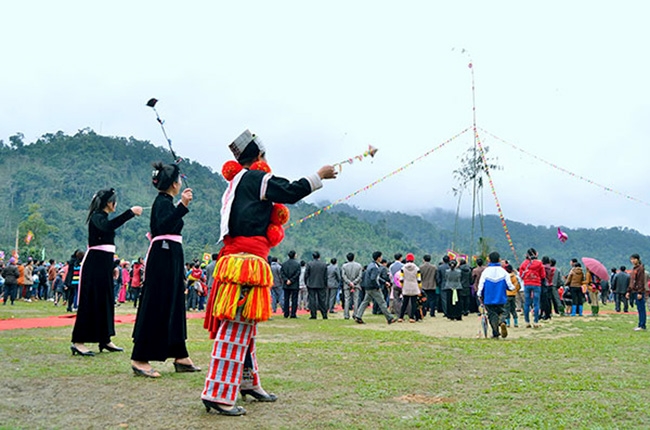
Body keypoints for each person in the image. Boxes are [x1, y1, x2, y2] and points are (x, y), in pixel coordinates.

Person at [201, 129, 337, 416]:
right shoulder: (254, 178)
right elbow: (288, 191)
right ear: (260, 156)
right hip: (246, 263)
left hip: (239, 259)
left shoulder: (237, 182)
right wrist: (319, 176)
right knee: (237, 326)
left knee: (245, 326)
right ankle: (217, 393)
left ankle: (248, 383)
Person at [131, 162, 199, 377]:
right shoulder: (162, 202)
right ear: (174, 184)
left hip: (172, 255)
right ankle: (140, 357)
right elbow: (162, 227)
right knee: (157, 303)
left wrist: (180, 207)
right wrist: (183, 206)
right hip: (163, 255)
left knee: (175, 303)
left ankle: (180, 354)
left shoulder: (167, 202)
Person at [70, 188, 142, 357]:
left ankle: (105, 338)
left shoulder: (103, 218)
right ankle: (78, 341)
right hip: (94, 265)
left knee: (106, 300)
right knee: (90, 300)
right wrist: (130, 213)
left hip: (104, 265)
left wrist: (113, 265)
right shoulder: (97, 217)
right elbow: (108, 227)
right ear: (110, 203)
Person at [477, 252, 515, 338]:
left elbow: (481, 285)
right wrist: (513, 288)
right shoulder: (504, 272)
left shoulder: (485, 272)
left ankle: (495, 333)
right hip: (501, 297)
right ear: (499, 260)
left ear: (489, 260)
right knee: (503, 311)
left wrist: (479, 294)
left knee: (492, 315)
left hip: (489, 298)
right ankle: (502, 321)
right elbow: (510, 286)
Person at [353, 251, 398, 325]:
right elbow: (373, 278)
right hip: (373, 288)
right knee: (382, 302)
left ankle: (358, 316)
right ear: (378, 258)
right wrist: (377, 286)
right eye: (381, 257)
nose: (381, 258)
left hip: (368, 287)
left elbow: (376, 277)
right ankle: (390, 318)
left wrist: (384, 282)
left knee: (365, 302)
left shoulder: (371, 265)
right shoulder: (375, 267)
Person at [518, 248, 545, 328]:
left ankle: (527, 322)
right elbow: (543, 275)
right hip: (536, 284)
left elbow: (521, 275)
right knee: (536, 303)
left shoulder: (524, 264)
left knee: (527, 303)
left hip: (527, 284)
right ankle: (536, 321)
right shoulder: (539, 263)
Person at [398, 253, 421, 323]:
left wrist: (402, 287)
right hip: (414, 286)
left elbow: (401, 279)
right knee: (413, 303)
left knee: (404, 302)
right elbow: (419, 280)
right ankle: (412, 317)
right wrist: (419, 288)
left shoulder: (403, 268)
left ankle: (401, 317)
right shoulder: (417, 268)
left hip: (406, 286)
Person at [305, 251, 328, 320]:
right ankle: (324, 314)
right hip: (321, 284)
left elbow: (306, 275)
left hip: (311, 284)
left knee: (312, 300)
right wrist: (325, 284)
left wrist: (306, 283)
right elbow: (325, 276)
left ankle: (313, 315)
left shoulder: (309, 264)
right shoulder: (324, 264)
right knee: (322, 300)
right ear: (319, 256)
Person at [627, 253, 646, 331]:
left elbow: (640, 281)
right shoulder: (634, 269)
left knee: (641, 308)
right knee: (639, 308)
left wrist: (640, 292)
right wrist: (628, 291)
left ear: (638, 259)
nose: (632, 261)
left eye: (634, 259)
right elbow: (632, 281)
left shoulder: (640, 269)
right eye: (631, 259)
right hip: (634, 290)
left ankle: (642, 325)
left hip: (639, 291)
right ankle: (640, 324)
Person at [280, 250, 301, 318]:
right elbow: (297, 274)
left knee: (286, 299)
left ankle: (286, 313)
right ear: (294, 255)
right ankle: (293, 314)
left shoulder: (284, 264)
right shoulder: (297, 264)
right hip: (294, 284)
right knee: (294, 299)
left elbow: (282, 273)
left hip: (286, 284)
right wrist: (291, 280)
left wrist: (286, 280)